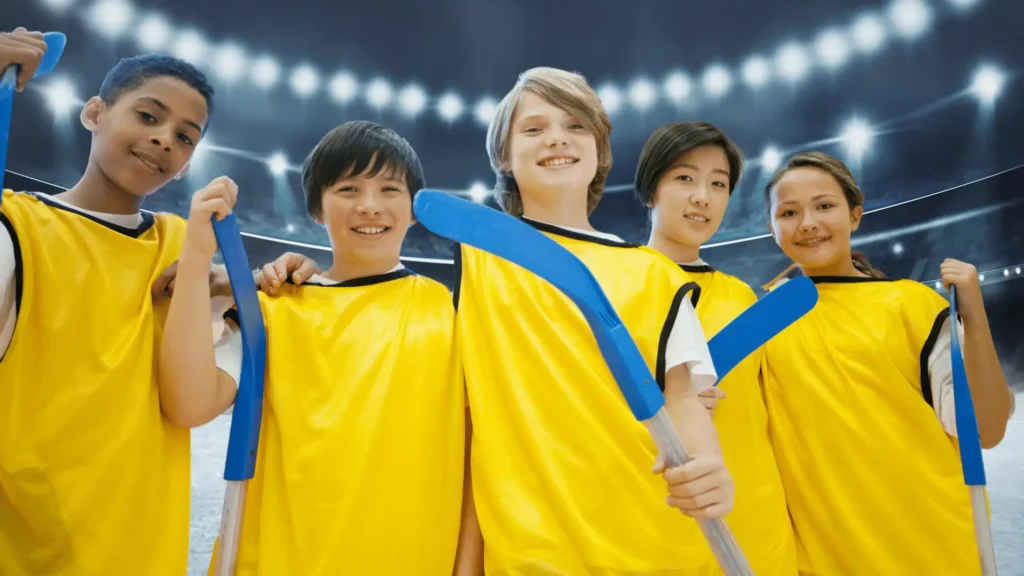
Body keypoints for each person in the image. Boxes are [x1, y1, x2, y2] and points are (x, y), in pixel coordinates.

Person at [452, 66, 732, 574]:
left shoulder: (655, 274)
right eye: (534, 129)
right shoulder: (477, 259)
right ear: (503, 156)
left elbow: (683, 398)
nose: (557, 138)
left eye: (576, 125)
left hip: (659, 544)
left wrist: (709, 466)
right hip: (534, 553)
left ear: (600, 149)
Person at [158, 121, 470, 574]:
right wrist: (198, 262)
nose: (369, 206)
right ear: (317, 209)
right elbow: (189, 405)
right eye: (348, 189)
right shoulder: (276, 308)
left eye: (389, 189)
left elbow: (476, 456)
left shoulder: (451, 312)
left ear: (414, 208)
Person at [0, 32, 240, 575]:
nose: (164, 141)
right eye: (148, 117)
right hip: (33, 550)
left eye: (185, 137)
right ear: (94, 112)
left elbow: (197, 402)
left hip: (143, 551)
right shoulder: (18, 228)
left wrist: (235, 277)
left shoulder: (186, 244)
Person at [760, 151, 1015, 574]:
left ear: (855, 214)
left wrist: (975, 316)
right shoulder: (764, 320)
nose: (807, 222)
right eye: (788, 212)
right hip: (829, 560)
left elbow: (984, 429)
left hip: (936, 550)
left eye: (824, 206)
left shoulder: (909, 304)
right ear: (772, 229)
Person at [635, 121, 798, 575]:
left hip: (753, 530)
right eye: (684, 178)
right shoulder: (615, 286)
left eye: (718, 184)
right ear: (651, 190)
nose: (702, 196)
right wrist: (670, 402)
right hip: (651, 528)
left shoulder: (744, 299)